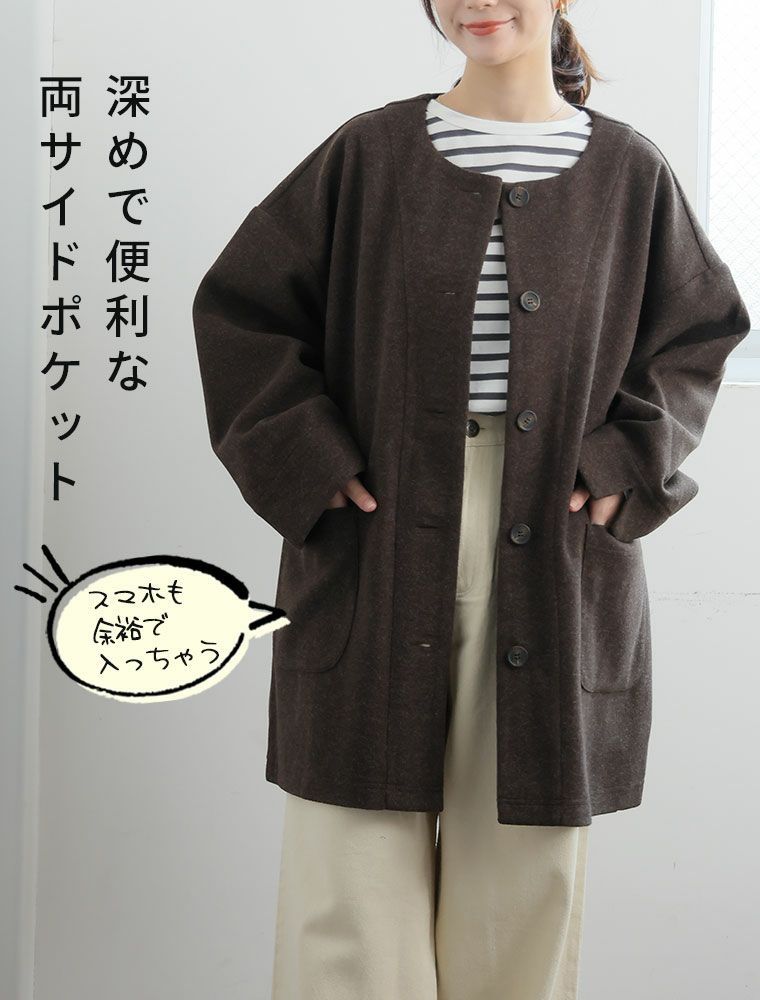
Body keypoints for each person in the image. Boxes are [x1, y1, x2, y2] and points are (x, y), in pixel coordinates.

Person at [191, 3, 751, 998]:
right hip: (374, 530)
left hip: (554, 535)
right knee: (350, 877)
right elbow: (243, 309)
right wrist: (307, 458)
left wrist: (624, 463)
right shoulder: (368, 155)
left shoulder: (629, 172)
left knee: (520, 884)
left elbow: (697, 333)